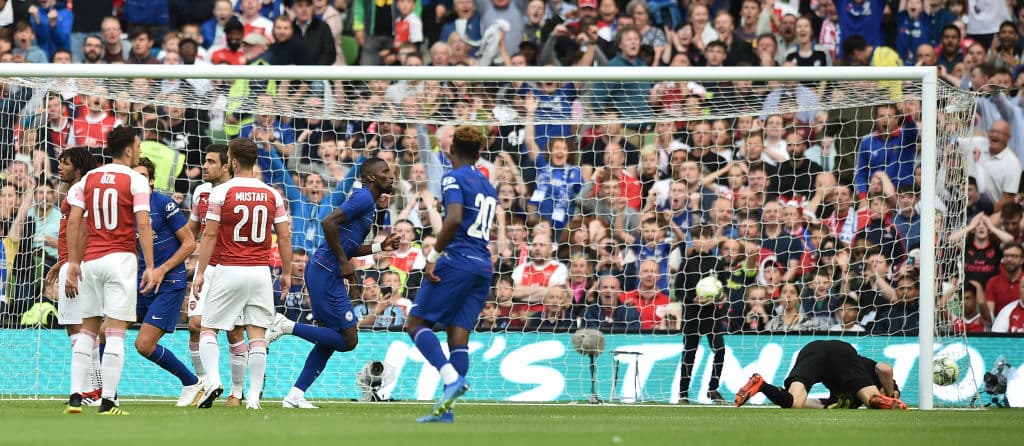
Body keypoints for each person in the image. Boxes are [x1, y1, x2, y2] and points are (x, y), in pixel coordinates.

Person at [265, 157, 399, 409]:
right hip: (325, 272)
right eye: (385, 171)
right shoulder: (363, 199)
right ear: (371, 177)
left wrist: (380, 246)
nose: (391, 176)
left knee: (329, 340)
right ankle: (284, 325)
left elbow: (349, 245)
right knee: (349, 340)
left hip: (326, 272)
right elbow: (327, 222)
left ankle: (295, 395)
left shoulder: (367, 202)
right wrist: (342, 261)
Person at [193, 138, 292, 410]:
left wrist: (201, 272)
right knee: (257, 335)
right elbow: (284, 237)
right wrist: (286, 272)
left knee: (208, 328)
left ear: (233, 162)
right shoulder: (272, 195)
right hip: (260, 271)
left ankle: (213, 382)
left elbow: (210, 234)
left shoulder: (221, 193)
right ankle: (253, 398)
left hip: (229, 268)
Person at [406, 126, 497, 423]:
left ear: (450, 151)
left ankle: (451, 379)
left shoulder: (452, 177)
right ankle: (447, 410)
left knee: (416, 322)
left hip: (458, 259)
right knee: (458, 336)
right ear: (480, 153)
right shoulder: (487, 184)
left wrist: (432, 257)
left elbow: (455, 218)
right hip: (483, 265)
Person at [65, 127, 156, 415]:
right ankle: (108, 400)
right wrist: (151, 266)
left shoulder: (89, 178)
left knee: (88, 328)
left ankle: (76, 397)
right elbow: (143, 224)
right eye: (138, 147)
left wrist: (73, 262)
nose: (139, 152)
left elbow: (74, 222)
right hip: (120, 260)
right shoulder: (135, 180)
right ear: (129, 149)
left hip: (91, 260)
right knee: (116, 331)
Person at [130, 157, 204, 407]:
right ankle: (98, 392)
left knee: (144, 344)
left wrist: (161, 269)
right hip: (140, 284)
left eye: (143, 176)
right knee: (105, 330)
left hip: (168, 282)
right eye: (133, 176)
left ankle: (192, 382)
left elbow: (190, 243)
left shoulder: (163, 204)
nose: (138, 181)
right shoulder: (125, 207)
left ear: (151, 180)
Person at [186, 144, 249, 407]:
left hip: (231, 267)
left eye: (211, 162)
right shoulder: (200, 192)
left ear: (227, 166)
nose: (205, 166)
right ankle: (206, 383)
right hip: (206, 268)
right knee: (195, 325)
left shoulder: (240, 192)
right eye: (205, 161)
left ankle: (236, 391)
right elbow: (193, 228)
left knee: (233, 331)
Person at [45, 148, 102, 406]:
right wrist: (62, 261)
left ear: (78, 168)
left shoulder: (80, 193)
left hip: (79, 265)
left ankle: (90, 390)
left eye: (64, 163)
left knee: (77, 326)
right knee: (84, 326)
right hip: (74, 262)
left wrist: (72, 264)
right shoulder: (79, 192)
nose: (60, 167)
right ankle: (97, 388)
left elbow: (83, 232)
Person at [734, 340, 908, 409]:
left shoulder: (840, 403)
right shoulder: (867, 373)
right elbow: (885, 369)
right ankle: (877, 400)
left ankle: (761, 384)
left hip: (813, 349)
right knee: (871, 400)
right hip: (843, 356)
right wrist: (891, 392)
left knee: (794, 402)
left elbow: (817, 403)